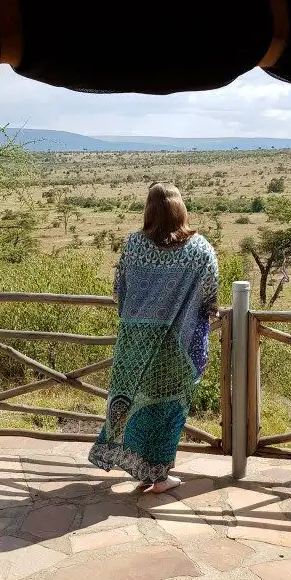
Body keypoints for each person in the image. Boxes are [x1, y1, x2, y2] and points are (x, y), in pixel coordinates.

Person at [88, 182, 219, 493]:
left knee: (130, 402)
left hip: (134, 342)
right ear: (180, 210)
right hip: (176, 344)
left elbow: (121, 291)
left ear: (149, 210)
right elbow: (209, 297)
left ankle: (147, 470)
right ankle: (158, 475)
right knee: (168, 407)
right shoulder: (199, 249)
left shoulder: (134, 244)